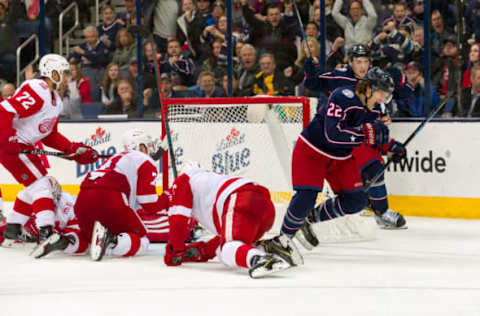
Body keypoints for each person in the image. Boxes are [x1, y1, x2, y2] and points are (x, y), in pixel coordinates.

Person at [268, 67, 394, 252]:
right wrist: (366, 135)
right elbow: (333, 134)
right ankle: (282, 241)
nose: (383, 99)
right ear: (368, 88)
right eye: (381, 93)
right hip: (312, 151)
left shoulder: (374, 108)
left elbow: (370, 134)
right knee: (306, 197)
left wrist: (390, 146)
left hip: (341, 157)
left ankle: (308, 219)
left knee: (356, 201)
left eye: (386, 95)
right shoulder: (342, 96)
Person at [304, 45, 408, 228]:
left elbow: (385, 108)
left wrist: (383, 123)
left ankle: (380, 210)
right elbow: (313, 84)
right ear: (350, 62)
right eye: (358, 61)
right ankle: (374, 208)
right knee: (367, 171)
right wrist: (310, 71)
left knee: (374, 169)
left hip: (360, 134)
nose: (362, 66)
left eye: (366, 61)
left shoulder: (374, 80)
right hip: (338, 134)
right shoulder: (340, 77)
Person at [0, 54, 99, 243]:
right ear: (51, 73)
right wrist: (8, 139)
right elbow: (4, 110)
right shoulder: (37, 88)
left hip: (21, 144)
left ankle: (13, 228)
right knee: (41, 185)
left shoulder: (56, 100)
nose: (67, 76)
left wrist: (73, 150)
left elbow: (50, 135)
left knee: (33, 185)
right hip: (12, 142)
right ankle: (47, 231)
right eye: (63, 72)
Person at [163, 163, 293, 278]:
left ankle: (258, 259)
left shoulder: (184, 180)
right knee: (225, 251)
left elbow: (178, 221)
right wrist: (203, 251)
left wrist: (175, 252)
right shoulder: (210, 182)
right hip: (264, 205)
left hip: (241, 199)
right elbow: (223, 237)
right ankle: (267, 248)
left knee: (228, 248)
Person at [65, 129, 166, 261]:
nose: (151, 151)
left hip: (83, 200)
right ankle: (112, 240)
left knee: (89, 240)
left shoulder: (115, 158)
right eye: (147, 145)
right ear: (140, 146)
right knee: (142, 241)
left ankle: (65, 242)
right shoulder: (144, 160)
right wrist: (168, 197)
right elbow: (150, 204)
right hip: (110, 198)